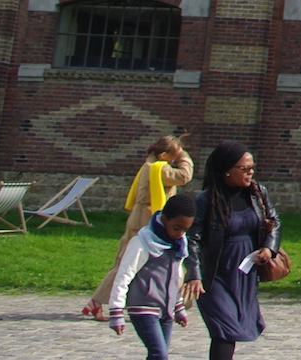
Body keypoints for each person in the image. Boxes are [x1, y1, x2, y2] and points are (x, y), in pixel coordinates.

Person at [184, 140, 281, 360]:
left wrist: (269, 247)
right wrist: (194, 274)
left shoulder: (257, 193)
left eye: (252, 168)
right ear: (226, 171)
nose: (250, 173)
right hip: (215, 273)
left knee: (232, 328)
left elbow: (274, 221)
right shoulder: (206, 200)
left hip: (244, 273)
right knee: (224, 328)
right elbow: (193, 239)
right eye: (244, 168)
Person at [89, 135, 196, 320]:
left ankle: (97, 302)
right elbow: (184, 176)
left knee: (125, 264)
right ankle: (173, 304)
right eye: (173, 156)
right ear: (164, 155)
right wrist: (183, 156)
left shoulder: (151, 164)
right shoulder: (159, 169)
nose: (175, 160)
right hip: (146, 224)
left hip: (138, 220)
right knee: (137, 265)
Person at [108, 191, 196, 360]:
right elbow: (124, 276)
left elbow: (175, 278)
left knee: (160, 355)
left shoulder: (178, 244)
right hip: (143, 307)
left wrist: (179, 307)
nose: (180, 233)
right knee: (159, 354)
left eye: (185, 229)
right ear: (164, 219)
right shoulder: (142, 242)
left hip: (167, 310)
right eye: (177, 227)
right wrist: (116, 311)